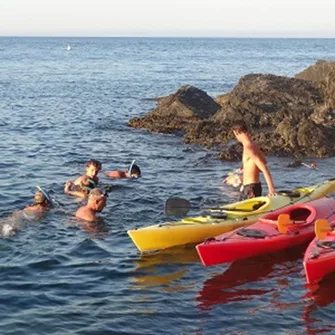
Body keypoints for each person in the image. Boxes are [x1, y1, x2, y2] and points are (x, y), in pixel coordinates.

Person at [232, 120, 276, 200]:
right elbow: (264, 161)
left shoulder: (248, 148)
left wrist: (271, 190)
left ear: (236, 132)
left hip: (250, 188)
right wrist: (246, 169)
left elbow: (264, 168)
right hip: (253, 187)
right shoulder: (254, 145)